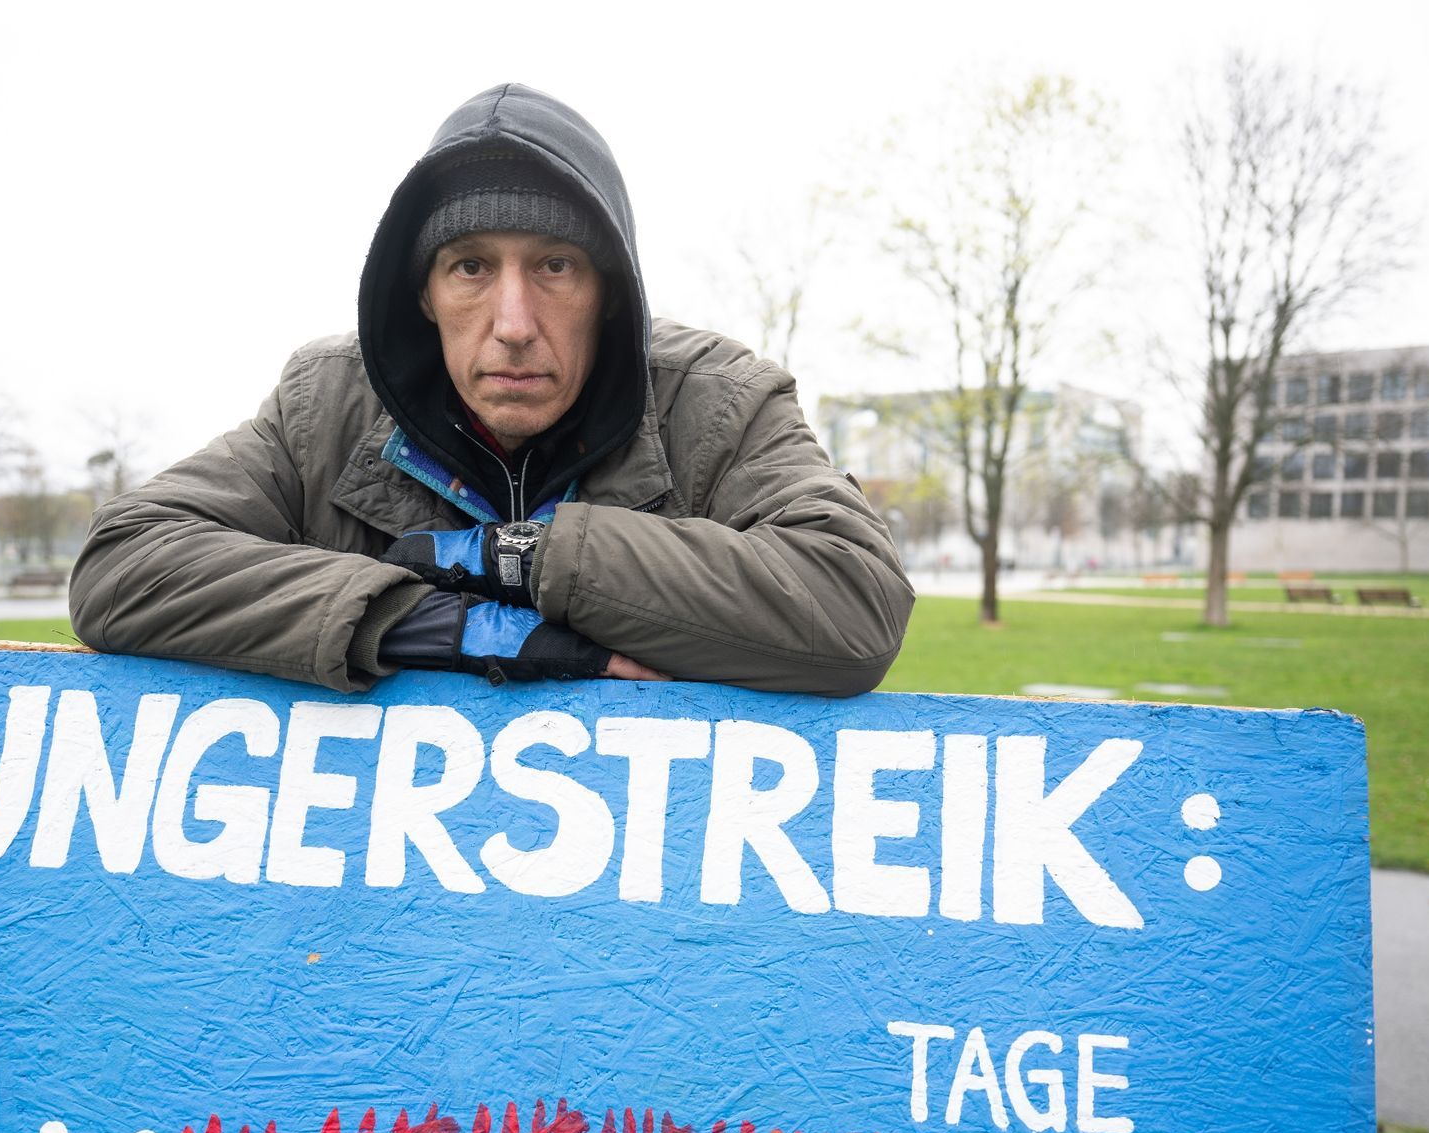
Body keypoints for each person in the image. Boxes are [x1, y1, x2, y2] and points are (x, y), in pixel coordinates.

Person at [70, 84, 912, 698]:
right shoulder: (326, 406)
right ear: (425, 295)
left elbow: (852, 604)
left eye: (555, 266)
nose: (513, 321)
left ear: (610, 292)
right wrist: (435, 621)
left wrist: (523, 558)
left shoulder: (715, 404)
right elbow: (126, 564)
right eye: (471, 266)